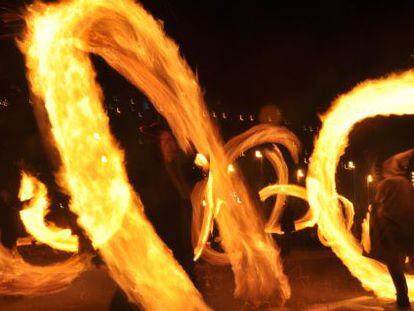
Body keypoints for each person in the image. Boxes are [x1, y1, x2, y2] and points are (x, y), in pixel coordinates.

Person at [369, 149, 414, 309]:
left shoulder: (388, 183)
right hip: (408, 231)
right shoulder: (406, 183)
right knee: (403, 264)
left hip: (393, 232)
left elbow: (380, 208)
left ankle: (402, 298)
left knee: (394, 266)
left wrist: (379, 230)